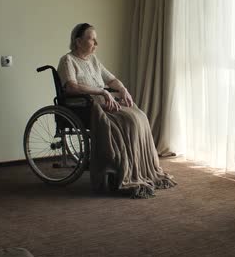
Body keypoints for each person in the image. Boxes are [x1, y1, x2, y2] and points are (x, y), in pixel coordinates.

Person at [57, 23, 176, 198]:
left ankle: (142, 169)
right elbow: (72, 87)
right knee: (128, 123)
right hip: (84, 106)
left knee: (139, 116)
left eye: (96, 39)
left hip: (104, 102)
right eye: (92, 39)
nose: (96, 43)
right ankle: (121, 171)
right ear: (78, 41)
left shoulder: (93, 60)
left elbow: (111, 79)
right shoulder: (68, 60)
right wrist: (102, 91)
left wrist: (123, 90)